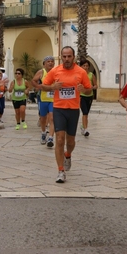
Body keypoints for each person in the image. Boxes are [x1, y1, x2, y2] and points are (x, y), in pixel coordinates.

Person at [41, 46, 92, 183]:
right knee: (59, 139)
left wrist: (84, 90)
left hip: (73, 110)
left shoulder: (81, 72)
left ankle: (68, 154)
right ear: (61, 57)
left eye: (69, 56)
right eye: (64, 56)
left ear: (73, 57)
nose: (67, 59)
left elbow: (89, 89)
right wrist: (52, 87)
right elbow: (43, 86)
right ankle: (60, 171)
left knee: (70, 141)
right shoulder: (55, 71)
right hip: (59, 109)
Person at [31, 56, 55, 147]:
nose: (50, 63)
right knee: (43, 118)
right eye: (48, 61)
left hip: (53, 99)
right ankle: (43, 132)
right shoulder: (41, 72)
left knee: (52, 118)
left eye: (52, 61)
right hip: (43, 99)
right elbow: (33, 81)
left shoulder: (56, 72)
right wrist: (39, 86)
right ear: (44, 64)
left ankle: (51, 138)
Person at [79, 58, 97, 137]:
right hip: (81, 96)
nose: (85, 67)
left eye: (87, 66)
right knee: (85, 112)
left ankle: (83, 126)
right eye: (84, 65)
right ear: (81, 66)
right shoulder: (79, 75)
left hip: (90, 96)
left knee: (87, 113)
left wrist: (92, 87)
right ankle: (85, 129)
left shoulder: (91, 75)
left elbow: (96, 85)